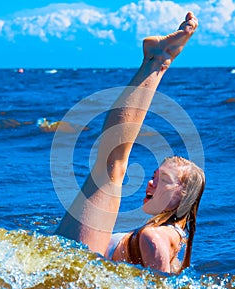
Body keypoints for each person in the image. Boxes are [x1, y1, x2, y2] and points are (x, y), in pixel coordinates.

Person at [55, 12, 205, 274]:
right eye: (154, 176)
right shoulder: (173, 237)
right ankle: (156, 61)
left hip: (78, 270)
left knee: (113, 165)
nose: (150, 182)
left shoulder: (155, 237)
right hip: (77, 265)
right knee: (112, 164)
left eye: (163, 181)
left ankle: (158, 61)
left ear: (182, 196)